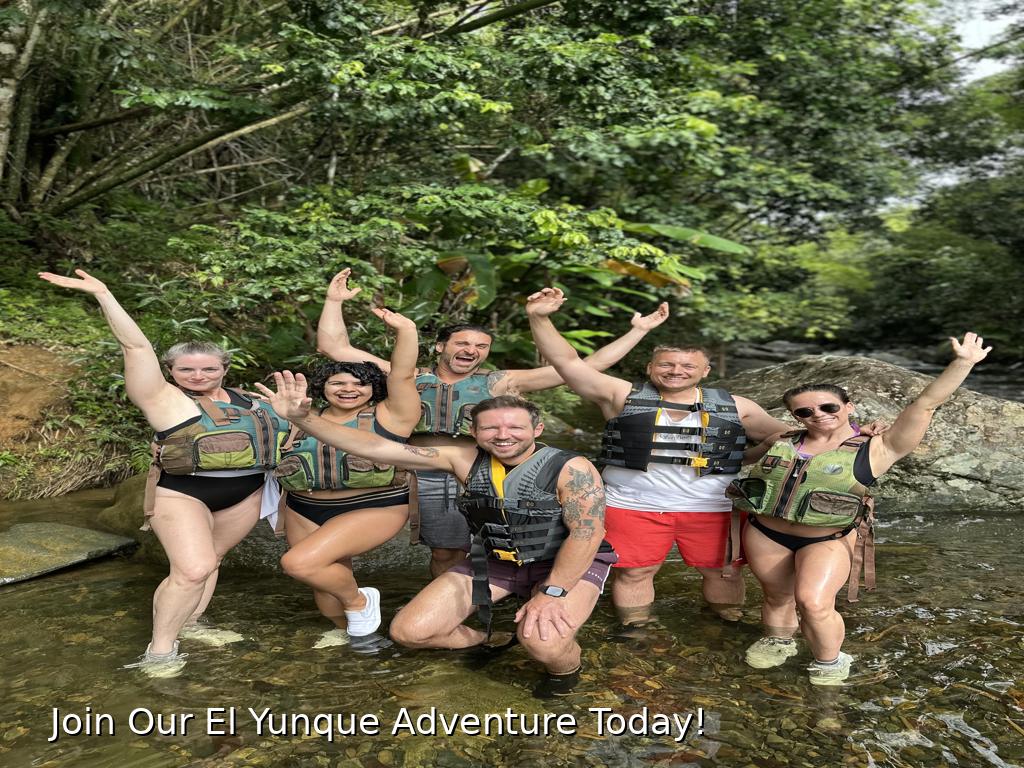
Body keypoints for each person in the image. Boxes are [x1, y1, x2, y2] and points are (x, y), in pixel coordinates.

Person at [257, 373, 611, 698]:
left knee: (544, 644)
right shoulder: (462, 458)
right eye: (490, 428)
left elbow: (587, 534)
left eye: (514, 427)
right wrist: (303, 418)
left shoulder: (572, 468)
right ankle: (491, 640)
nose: (503, 435)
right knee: (409, 633)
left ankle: (564, 677)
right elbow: (375, 447)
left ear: (538, 429)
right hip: (498, 560)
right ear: (474, 432)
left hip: (565, 565)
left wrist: (551, 593)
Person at [316, 268, 667, 578]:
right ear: (440, 347)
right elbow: (335, 347)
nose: (472, 350)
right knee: (442, 551)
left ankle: (492, 591)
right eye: (463, 343)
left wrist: (638, 331)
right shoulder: (407, 376)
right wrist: (333, 301)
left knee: (484, 544)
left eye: (481, 346)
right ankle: (440, 595)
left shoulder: (497, 381)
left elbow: (582, 367)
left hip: (476, 468)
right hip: (416, 467)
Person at [38, 269, 288, 677]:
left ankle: (192, 624)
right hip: (184, 493)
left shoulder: (251, 401)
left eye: (209, 369)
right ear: (170, 370)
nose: (198, 377)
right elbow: (135, 345)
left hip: (246, 493)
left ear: (225, 367)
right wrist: (103, 293)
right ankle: (159, 651)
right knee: (191, 569)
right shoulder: (159, 397)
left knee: (212, 560)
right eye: (187, 370)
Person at [525, 286, 796, 627]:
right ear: (651, 367)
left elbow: (783, 436)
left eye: (687, 365)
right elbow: (566, 362)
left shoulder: (737, 406)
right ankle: (636, 632)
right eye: (667, 364)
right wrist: (539, 317)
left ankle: (725, 626)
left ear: (706, 371)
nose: (676, 370)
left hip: (712, 507)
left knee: (724, 573)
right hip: (632, 505)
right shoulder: (619, 395)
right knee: (636, 573)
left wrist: (857, 434)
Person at [732, 332, 991, 685]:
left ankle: (829, 661)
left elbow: (925, 405)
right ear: (794, 415)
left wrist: (963, 363)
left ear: (849, 406)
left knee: (813, 602)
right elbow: (743, 459)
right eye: (805, 411)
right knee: (777, 596)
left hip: (826, 537)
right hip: (766, 533)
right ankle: (779, 639)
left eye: (828, 407)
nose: (817, 415)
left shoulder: (878, 447)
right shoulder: (783, 439)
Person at [277, 307, 420, 645]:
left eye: (360, 383)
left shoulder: (392, 415)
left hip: (374, 505)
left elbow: (402, 375)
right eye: (337, 382)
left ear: (375, 389)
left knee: (299, 564)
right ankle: (358, 638)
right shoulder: (299, 415)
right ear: (321, 387)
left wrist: (407, 330)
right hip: (304, 506)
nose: (348, 389)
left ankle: (360, 602)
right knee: (324, 586)